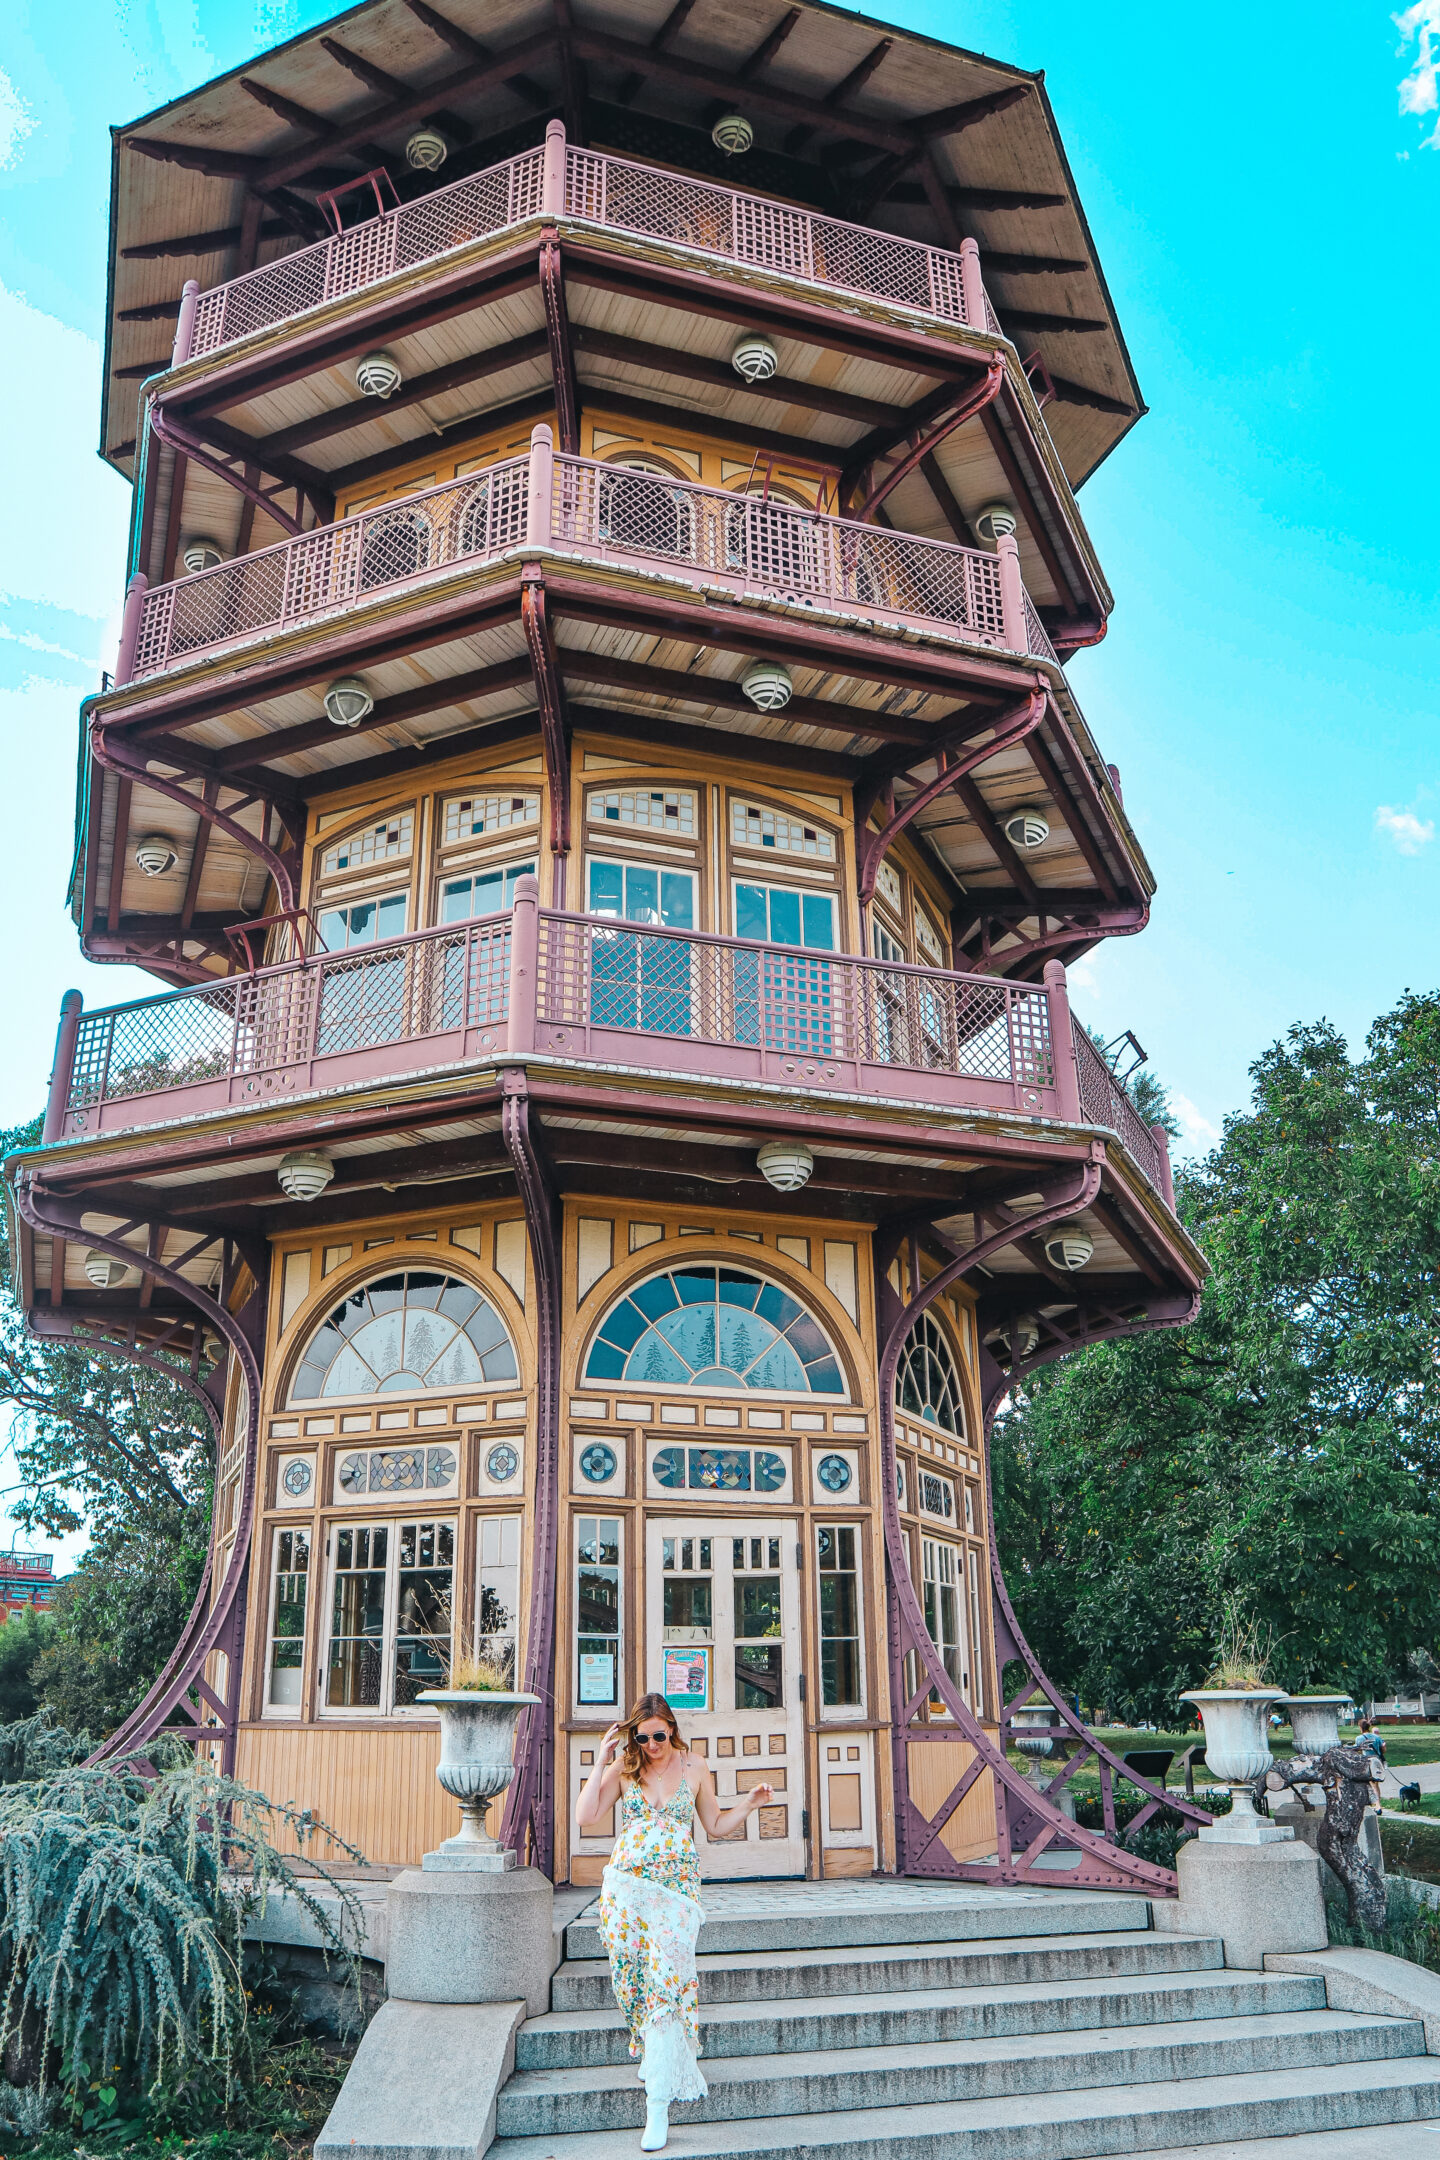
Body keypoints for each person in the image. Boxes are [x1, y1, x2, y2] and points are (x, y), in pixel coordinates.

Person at [576, 1692, 773, 2153]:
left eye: (659, 1735)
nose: (651, 1745)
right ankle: (649, 2050)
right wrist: (602, 1760)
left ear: (672, 1728)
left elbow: (716, 1825)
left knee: (667, 1988)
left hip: (676, 1898)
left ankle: (658, 2104)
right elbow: (587, 1816)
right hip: (625, 1893)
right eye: (642, 1737)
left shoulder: (695, 1767)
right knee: (631, 1985)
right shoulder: (626, 1768)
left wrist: (748, 1805)